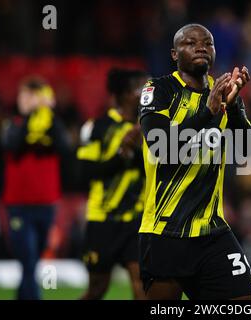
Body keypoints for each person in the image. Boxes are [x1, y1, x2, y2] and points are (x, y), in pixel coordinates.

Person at [138, 23, 251, 300]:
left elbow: (243, 154)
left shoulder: (222, 91)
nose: (201, 47)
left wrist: (236, 108)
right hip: (166, 231)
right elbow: (161, 148)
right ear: (174, 54)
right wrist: (207, 113)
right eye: (190, 43)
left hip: (212, 231)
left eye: (207, 43)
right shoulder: (158, 90)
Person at [77, 68, 147, 300]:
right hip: (102, 219)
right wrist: (123, 152)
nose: (147, 93)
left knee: (142, 287)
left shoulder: (151, 127)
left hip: (137, 220)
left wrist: (138, 149)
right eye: (141, 88)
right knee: (97, 289)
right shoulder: (98, 127)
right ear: (126, 93)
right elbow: (86, 172)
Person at [1, 77, 71, 299]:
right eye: (23, 96)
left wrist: (48, 115)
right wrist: (31, 115)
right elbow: (12, 145)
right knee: (28, 257)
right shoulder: (13, 124)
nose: (25, 100)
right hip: (19, 204)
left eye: (29, 96)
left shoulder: (52, 124)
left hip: (47, 203)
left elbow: (65, 147)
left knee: (33, 259)